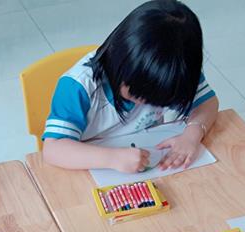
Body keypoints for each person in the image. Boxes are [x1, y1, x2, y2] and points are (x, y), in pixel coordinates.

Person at [42, 0, 219, 173]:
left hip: (146, 163)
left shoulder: (174, 72)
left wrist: (191, 135)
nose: (144, 102)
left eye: (157, 99)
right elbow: (53, 149)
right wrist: (112, 159)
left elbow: (208, 102)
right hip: (89, 169)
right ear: (120, 62)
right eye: (138, 94)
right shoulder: (78, 86)